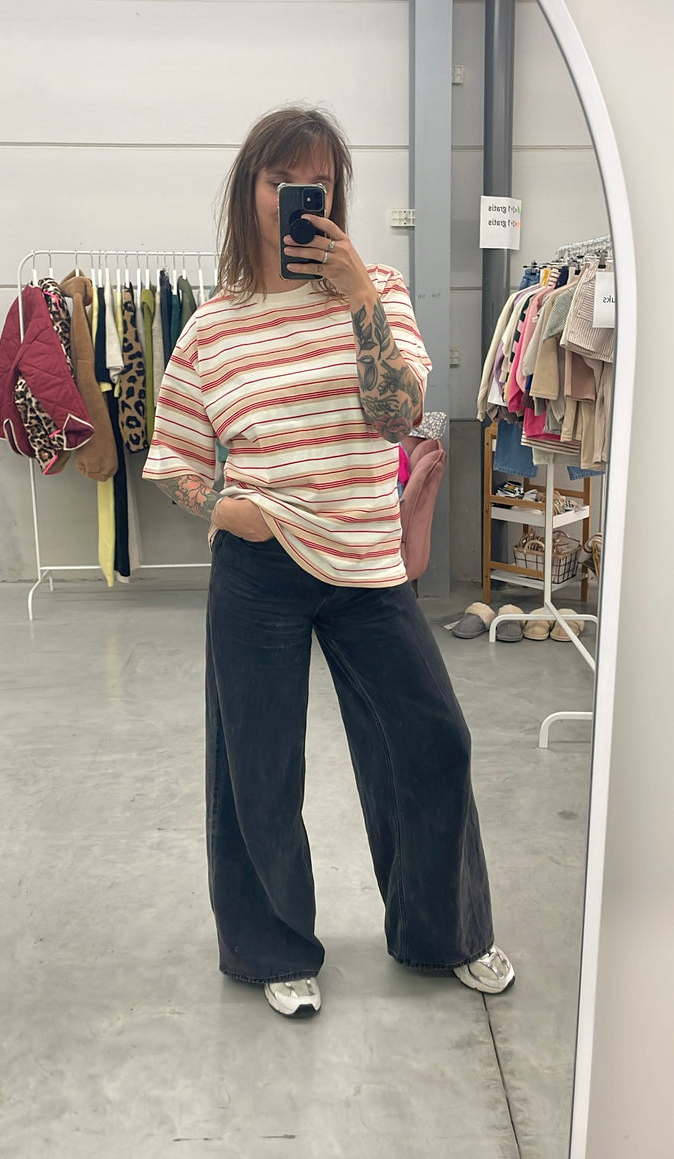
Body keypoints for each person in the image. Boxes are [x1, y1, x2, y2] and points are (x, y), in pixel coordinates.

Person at [142, 106, 514, 1018]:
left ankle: (443, 930)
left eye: (319, 181)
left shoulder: (378, 288)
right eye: (282, 181)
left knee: (432, 742)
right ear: (252, 192)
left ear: (337, 192)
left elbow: (397, 418)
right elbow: (172, 456)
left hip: (366, 562)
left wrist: (358, 304)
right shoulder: (212, 327)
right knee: (256, 767)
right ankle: (273, 946)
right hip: (258, 566)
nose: (300, 197)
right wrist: (222, 508)